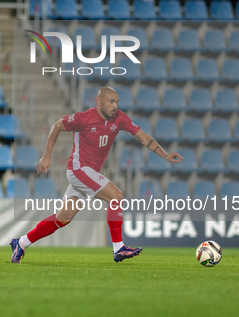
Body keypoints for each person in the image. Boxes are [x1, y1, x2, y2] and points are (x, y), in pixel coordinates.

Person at [10, 86, 183, 264]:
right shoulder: (83, 118)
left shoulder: (119, 118)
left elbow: (143, 137)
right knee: (116, 195)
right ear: (99, 101)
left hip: (88, 173)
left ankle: (21, 243)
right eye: (111, 101)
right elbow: (56, 126)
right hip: (79, 170)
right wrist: (47, 156)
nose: (115, 105)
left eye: (116, 101)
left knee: (63, 218)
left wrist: (166, 155)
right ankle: (118, 248)